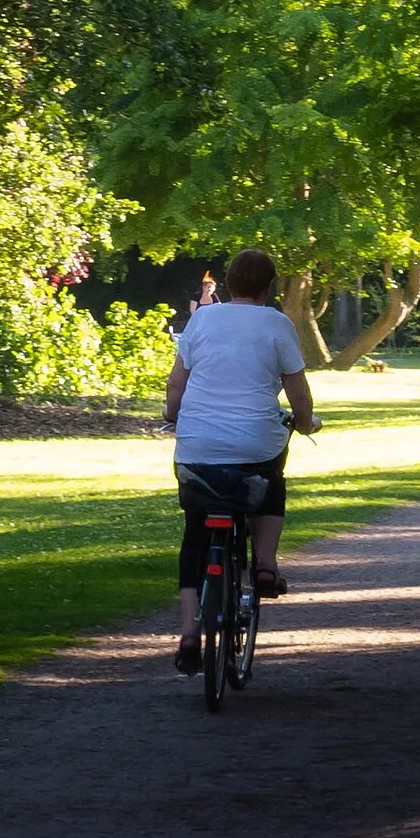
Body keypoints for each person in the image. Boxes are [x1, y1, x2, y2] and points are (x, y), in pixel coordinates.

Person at [163, 248, 320, 675]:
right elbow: (298, 393)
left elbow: (177, 383)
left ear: (229, 283)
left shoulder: (203, 319)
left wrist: (171, 416)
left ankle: (190, 630)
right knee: (271, 475)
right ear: (269, 288)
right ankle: (265, 566)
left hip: (197, 448)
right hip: (255, 445)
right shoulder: (277, 324)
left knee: (195, 531)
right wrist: (306, 424)